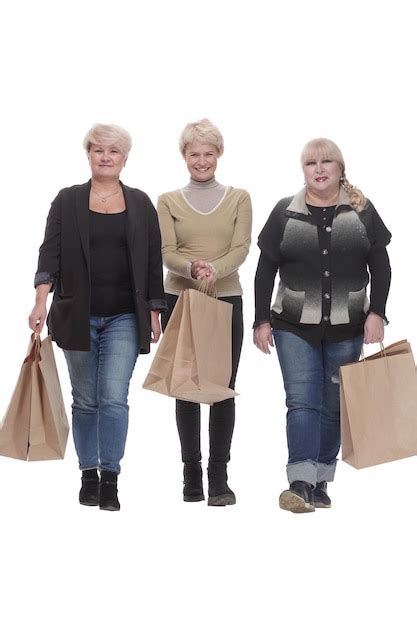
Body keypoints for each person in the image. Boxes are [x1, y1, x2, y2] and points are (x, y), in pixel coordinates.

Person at [29, 123, 166, 511]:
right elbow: (49, 255)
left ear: (125, 158)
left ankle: (111, 477)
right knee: (86, 400)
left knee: (113, 397)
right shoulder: (67, 200)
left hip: (125, 315)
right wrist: (41, 301)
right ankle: (88, 473)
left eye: (113, 151)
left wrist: (155, 311)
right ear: (88, 154)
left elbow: (152, 260)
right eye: (98, 150)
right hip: (76, 313)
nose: (105, 157)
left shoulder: (140, 203)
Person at [253, 138, 391, 513]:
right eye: (311, 162)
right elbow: (265, 269)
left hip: (349, 325)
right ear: (304, 170)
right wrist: (261, 319)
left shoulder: (362, 211)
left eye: (326, 161)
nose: (318, 168)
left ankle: (321, 479)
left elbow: (380, 265)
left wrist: (376, 313)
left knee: (332, 405)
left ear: (340, 168)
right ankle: (299, 482)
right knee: (301, 401)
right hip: (292, 325)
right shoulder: (285, 211)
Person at [157, 118, 252, 506]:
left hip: (226, 297)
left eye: (208, 153)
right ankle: (191, 474)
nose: (201, 160)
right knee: (186, 388)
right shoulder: (167, 201)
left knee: (222, 390)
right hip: (180, 300)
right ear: (184, 156)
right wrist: (193, 268)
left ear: (219, 155)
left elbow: (241, 247)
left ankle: (220, 476)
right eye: (194, 154)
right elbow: (166, 253)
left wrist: (216, 270)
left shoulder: (239, 197)